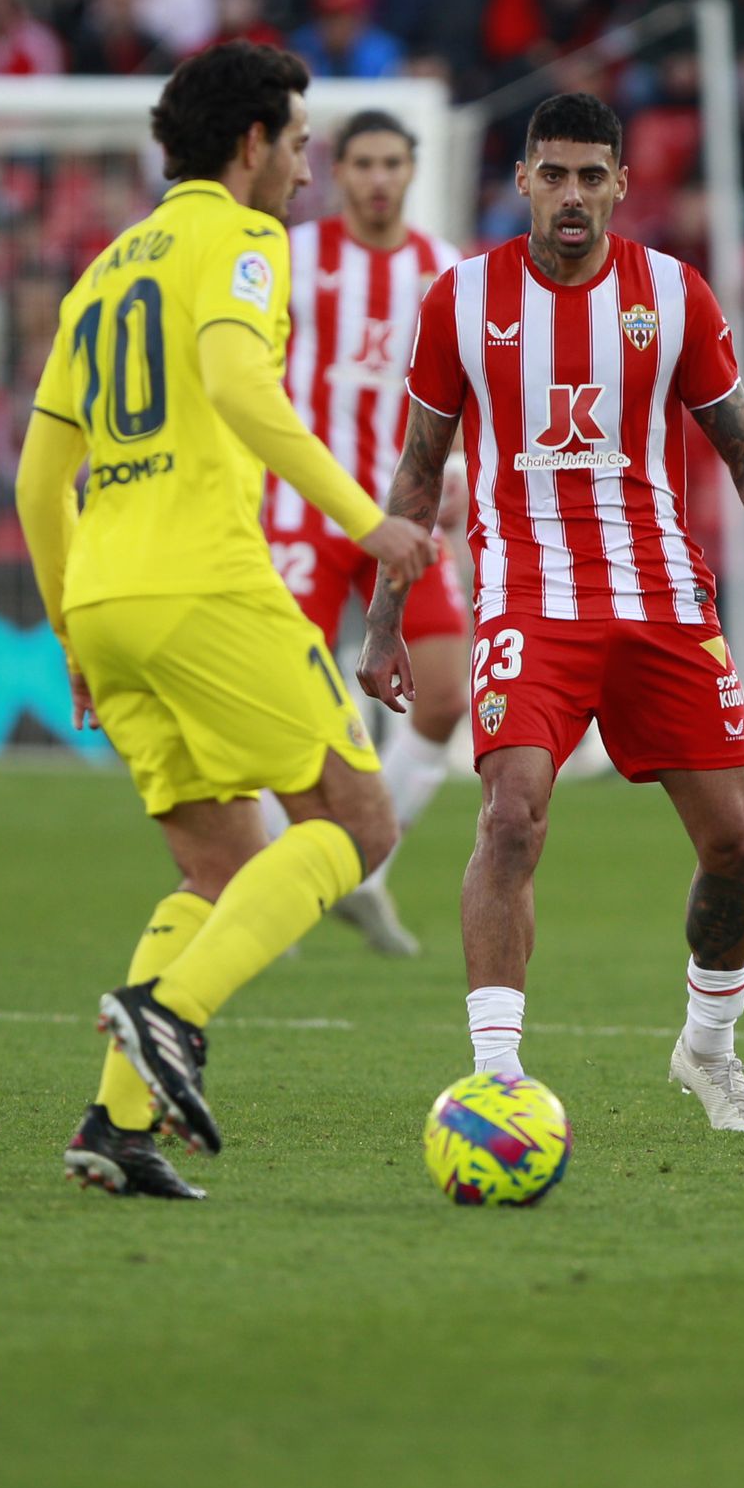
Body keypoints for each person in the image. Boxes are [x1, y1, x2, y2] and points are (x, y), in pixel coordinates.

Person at [356, 93, 744, 1135]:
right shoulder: (461, 300)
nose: (572, 196)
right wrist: (386, 615)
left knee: (739, 845)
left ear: (621, 183)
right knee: (511, 815)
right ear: (522, 180)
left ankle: (707, 1051)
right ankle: (495, 1076)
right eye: (554, 174)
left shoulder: (671, 293)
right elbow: (419, 468)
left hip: (661, 595)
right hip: (529, 595)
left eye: (592, 176)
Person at [14, 41, 437, 1200]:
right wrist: (368, 522)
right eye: (300, 145)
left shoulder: (99, 271)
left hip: (104, 599)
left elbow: (34, 482)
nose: (307, 173)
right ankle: (170, 1013)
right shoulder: (242, 238)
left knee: (217, 865)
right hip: (204, 582)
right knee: (357, 821)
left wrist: (71, 635)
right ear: (250, 143)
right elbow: (241, 385)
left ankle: (115, 1124)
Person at [263, 108, 465, 956]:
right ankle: (276, 878)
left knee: (448, 692)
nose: (379, 178)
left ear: (413, 171)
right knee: (285, 702)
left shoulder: (442, 269)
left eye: (393, 163)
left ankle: (366, 870)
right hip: (304, 509)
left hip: (404, 512)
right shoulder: (292, 261)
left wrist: (458, 478)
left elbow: (472, 390)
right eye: (363, 164)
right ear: (336, 172)